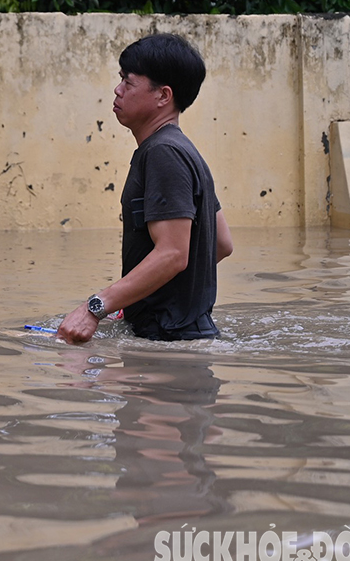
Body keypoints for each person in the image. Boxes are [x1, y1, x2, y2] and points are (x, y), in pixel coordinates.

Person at [57, 33, 233, 343]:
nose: (118, 89)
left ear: (163, 96)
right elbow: (220, 244)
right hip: (186, 337)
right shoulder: (184, 150)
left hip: (168, 342)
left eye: (128, 82)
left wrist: (94, 308)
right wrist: (137, 294)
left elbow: (174, 253)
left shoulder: (163, 153)